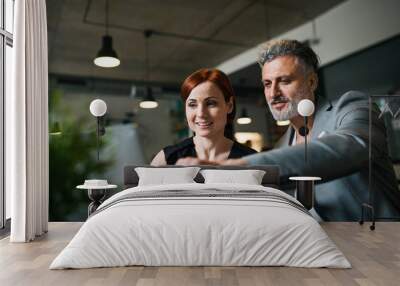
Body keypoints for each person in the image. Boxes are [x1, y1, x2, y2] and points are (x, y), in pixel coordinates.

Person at [194, 40, 400, 221]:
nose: (273, 93)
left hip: (382, 249)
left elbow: (352, 146)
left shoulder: (351, 107)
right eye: (267, 84)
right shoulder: (282, 144)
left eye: (284, 81)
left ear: (311, 81)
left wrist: (242, 166)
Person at [151, 68, 257, 166]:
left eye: (211, 103)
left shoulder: (252, 160)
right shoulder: (166, 159)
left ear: (229, 106)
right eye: (192, 105)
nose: (201, 113)